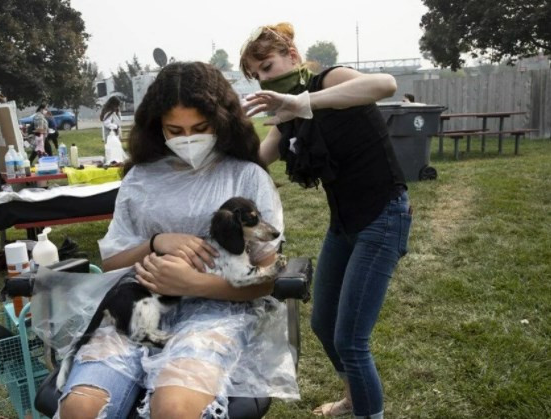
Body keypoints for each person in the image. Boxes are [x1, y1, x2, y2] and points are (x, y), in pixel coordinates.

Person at [57, 61, 298, 419]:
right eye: (175, 129)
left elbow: (267, 280)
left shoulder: (245, 178)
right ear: (158, 127)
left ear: (221, 122)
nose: (188, 138)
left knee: (173, 408)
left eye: (200, 128)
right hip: (138, 307)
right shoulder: (141, 179)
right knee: (81, 407)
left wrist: (196, 284)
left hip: (218, 313)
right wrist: (156, 242)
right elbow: (111, 263)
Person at [240, 22, 412, 419]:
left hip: (383, 216)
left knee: (351, 339)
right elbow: (260, 157)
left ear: (293, 57)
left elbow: (385, 84)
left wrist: (306, 103)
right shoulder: (287, 114)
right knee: (322, 322)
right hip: (344, 225)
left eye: (267, 66)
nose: (264, 78)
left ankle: (368, 413)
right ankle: (355, 399)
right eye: (256, 75)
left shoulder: (331, 80)